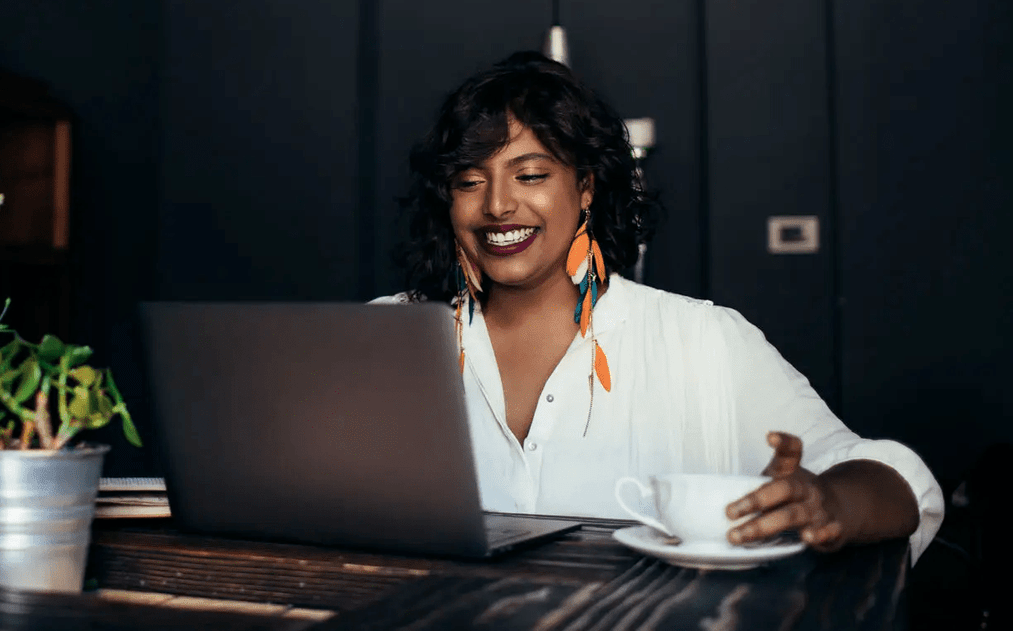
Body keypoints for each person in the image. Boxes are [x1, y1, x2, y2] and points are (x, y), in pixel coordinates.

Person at [380, 50, 942, 562]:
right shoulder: (385, 336)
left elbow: (898, 487)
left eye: (530, 175)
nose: (498, 204)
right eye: (469, 182)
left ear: (586, 187)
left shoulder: (703, 340)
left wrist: (830, 502)